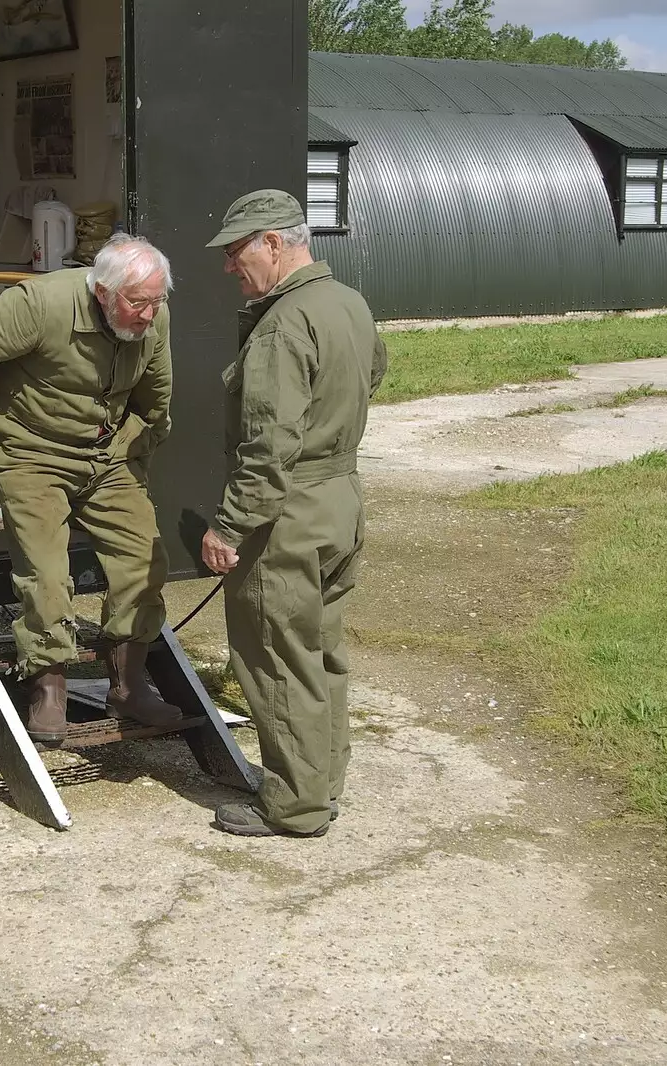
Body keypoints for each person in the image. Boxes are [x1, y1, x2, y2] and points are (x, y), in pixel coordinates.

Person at [0, 234, 183, 745]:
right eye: (137, 302)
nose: (148, 314)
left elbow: (155, 398)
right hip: (30, 450)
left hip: (105, 454)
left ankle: (126, 684)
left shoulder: (153, 320)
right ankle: (48, 684)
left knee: (145, 557)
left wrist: (134, 451)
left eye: (157, 300)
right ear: (103, 291)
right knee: (47, 570)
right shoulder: (42, 304)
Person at [198, 190, 388, 838]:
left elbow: (269, 444)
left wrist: (228, 526)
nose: (230, 268)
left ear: (274, 244)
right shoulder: (349, 304)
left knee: (277, 656)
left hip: (288, 513)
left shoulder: (282, 322)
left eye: (236, 252)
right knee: (321, 649)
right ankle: (321, 786)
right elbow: (375, 373)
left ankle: (294, 805)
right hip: (341, 502)